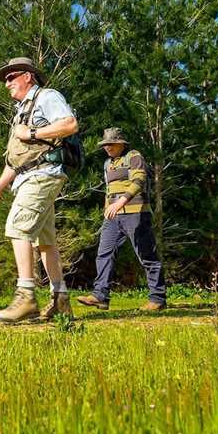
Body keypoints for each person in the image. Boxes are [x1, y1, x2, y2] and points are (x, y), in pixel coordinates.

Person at [0, 57, 79, 324]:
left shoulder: (47, 96)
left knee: (18, 227)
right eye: (5, 79)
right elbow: (16, 159)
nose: (7, 84)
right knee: (46, 243)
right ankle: (60, 301)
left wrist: (34, 134)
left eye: (11, 77)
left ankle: (26, 296)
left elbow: (70, 124)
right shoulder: (20, 113)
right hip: (27, 176)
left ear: (28, 76)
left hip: (42, 175)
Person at [77, 128, 166, 311]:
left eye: (111, 144)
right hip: (113, 216)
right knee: (104, 253)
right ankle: (100, 296)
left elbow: (139, 182)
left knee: (146, 254)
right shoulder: (107, 164)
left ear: (121, 143)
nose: (107, 147)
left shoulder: (134, 156)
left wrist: (120, 203)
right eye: (104, 144)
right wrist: (107, 208)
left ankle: (157, 298)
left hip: (136, 213)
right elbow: (108, 189)